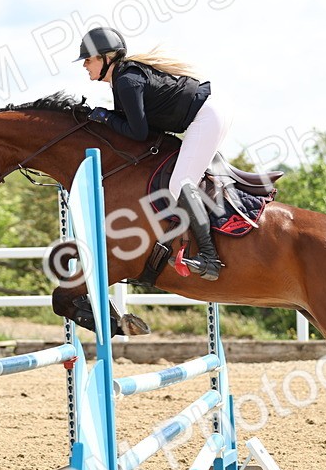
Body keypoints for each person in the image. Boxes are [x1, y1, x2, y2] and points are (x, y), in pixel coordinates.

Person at [76, 26, 231, 281]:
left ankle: (210, 258)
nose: (84, 65)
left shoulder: (127, 81)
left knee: (179, 184)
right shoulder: (122, 80)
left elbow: (137, 133)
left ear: (106, 58)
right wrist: (103, 117)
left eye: (88, 59)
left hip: (207, 115)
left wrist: (104, 116)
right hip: (208, 111)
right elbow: (131, 126)